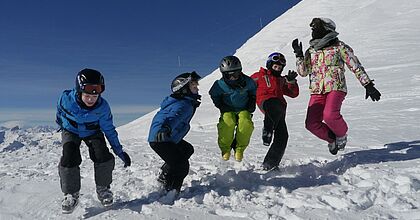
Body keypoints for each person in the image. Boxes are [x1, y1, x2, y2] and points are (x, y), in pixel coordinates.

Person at [292, 18, 381, 155]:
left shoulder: (339, 47)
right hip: (317, 90)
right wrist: (298, 55)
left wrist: (368, 84)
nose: (313, 31)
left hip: (335, 86)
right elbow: (303, 72)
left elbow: (355, 66)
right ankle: (331, 139)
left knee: (330, 115)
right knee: (311, 123)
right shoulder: (311, 51)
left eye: (316, 28)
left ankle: (341, 135)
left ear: (327, 29)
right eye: (313, 29)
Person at [56, 68, 131, 214]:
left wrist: (119, 151)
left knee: (102, 154)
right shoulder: (66, 100)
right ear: (79, 91)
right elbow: (59, 112)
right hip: (71, 130)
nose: (91, 99)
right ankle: (71, 194)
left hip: (92, 132)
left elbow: (109, 129)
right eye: (87, 95)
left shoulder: (102, 107)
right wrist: (62, 125)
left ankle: (103, 188)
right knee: (69, 155)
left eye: (95, 96)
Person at [148, 71, 201, 193]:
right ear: (183, 88)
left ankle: (165, 175)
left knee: (187, 149)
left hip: (168, 138)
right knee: (181, 166)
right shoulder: (183, 104)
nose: (197, 88)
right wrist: (166, 128)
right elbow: (174, 117)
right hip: (161, 138)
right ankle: (171, 192)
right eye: (193, 85)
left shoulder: (185, 102)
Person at [250, 52, 299, 171]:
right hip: (265, 102)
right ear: (269, 64)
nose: (277, 68)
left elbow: (293, 94)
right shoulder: (260, 75)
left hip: (280, 109)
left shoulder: (282, 80)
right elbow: (247, 85)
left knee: (283, 136)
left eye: (280, 67)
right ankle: (267, 130)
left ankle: (270, 163)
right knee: (273, 103)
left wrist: (291, 82)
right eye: (275, 66)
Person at [209, 55, 257, 162]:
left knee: (246, 124)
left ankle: (239, 148)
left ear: (240, 72)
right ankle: (225, 149)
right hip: (228, 109)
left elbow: (253, 90)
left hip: (243, 108)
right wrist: (220, 105)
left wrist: (252, 100)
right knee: (227, 124)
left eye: (235, 74)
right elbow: (214, 94)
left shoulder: (247, 81)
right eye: (229, 75)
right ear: (223, 74)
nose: (233, 78)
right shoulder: (219, 85)